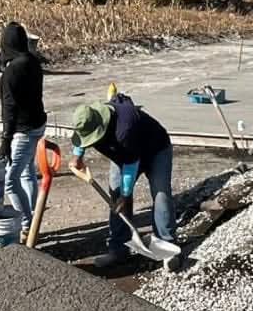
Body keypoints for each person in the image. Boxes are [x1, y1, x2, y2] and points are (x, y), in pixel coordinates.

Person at [69, 93, 179, 272]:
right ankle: (119, 248)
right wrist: (77, 156)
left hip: (156, 150)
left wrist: (125, 195)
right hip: (124, 155)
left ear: (102, 126)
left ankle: (168, 246)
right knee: (115, 198)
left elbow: (130, 165)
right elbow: (81, 136)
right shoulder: (89, 118)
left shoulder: (124, 128)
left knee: (161, 195)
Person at [0, 22, 46, 241]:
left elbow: (9, 108)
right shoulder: (33, 61)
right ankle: (32, 220)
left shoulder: (11, 72)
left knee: (10, 180)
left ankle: (27, 224)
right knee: (27, 173)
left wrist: (5, 140)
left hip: (22, 131)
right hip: (37, 125)